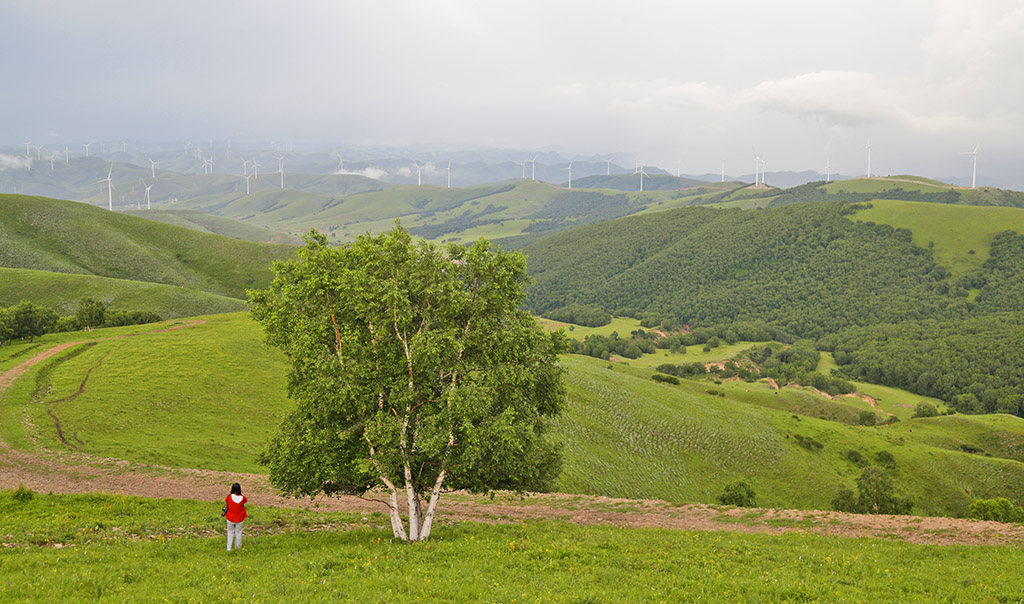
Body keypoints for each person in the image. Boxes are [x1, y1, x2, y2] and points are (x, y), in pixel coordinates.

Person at [224, 482, 247, 551]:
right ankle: (238, 547)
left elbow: (226, 501)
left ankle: (229, 548)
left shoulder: (229, 497)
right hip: (239, 518)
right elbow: (245, 500)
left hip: (230, 517)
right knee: (238, 533)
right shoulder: (242, 498)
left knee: (230, 532)